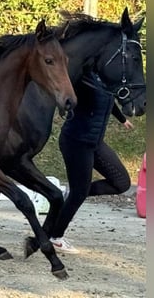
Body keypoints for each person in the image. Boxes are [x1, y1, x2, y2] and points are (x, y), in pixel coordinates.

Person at [49, 72, 134, 254]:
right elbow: (65, 94)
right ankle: (55, 237)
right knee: (79, 192)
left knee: (121, 182)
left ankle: (72, 198)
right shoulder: (83, 77)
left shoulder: (107, 76)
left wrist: (122, 119)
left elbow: (108, 98)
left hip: (95, 142)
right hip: (76, 141)